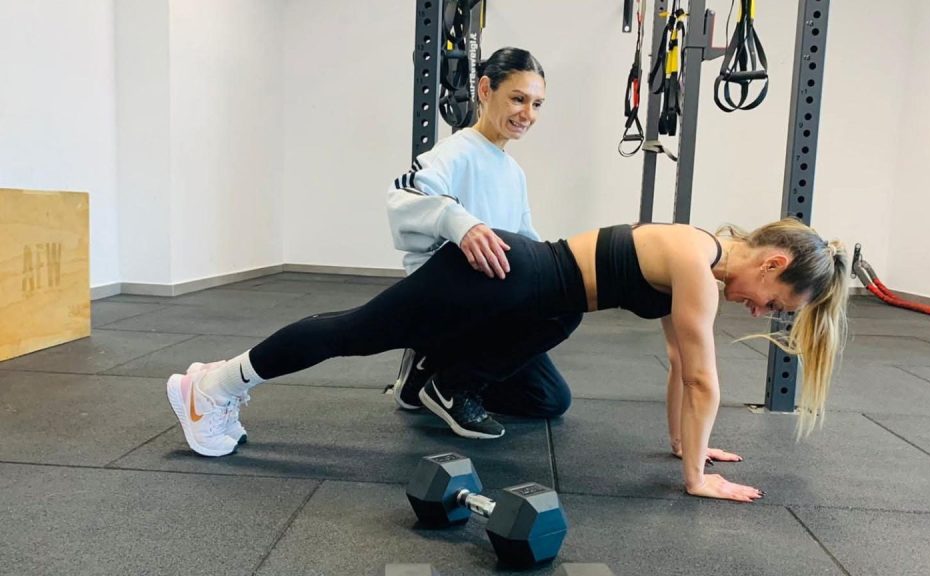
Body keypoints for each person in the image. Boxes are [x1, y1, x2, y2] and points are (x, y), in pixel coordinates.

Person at [166, 218, 849, 503]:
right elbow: (702, 374)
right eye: (777, 301)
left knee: (540, 387)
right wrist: (699, 480)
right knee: (357, 331)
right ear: (772, 261)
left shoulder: (699, 257)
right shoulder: (698, 263)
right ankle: (214, 386)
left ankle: (428, 367)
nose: (764, 312)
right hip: (508, 277)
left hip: (532, 301)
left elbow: (680, 367)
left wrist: (686, 448)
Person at [383, 46, 581, 440]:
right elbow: (403, 198)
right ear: (486, 90)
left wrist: (563, 272)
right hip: (449, 297)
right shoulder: (453, 154)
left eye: (537, 103)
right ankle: (448, 381)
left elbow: (526, 239)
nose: (528, 114)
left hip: (495, 296)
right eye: (518, 99)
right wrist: (460, 223)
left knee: (550, 400)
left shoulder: (513, 172)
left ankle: (434, 374)